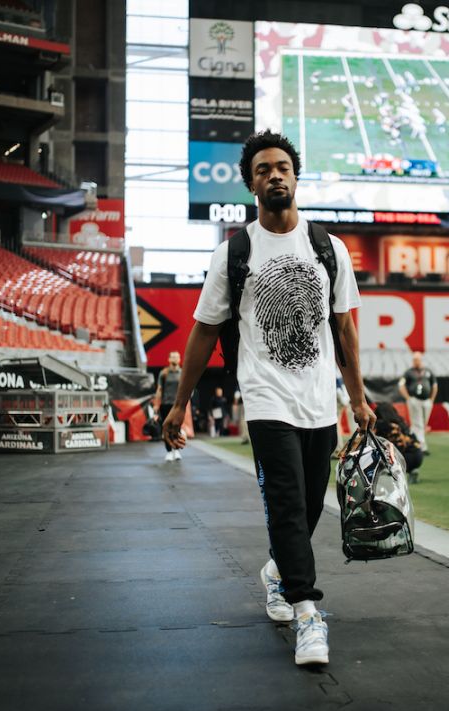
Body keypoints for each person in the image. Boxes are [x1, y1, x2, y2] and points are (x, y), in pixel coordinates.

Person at [162, 130, 375, 667]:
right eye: (263, 170)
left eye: (282, 167)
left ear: (295, 176)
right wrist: (180, 403)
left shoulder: (329, 248)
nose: (275, 175)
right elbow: (204, 333)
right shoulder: (233, 253)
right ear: (251, 183)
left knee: (306, 509)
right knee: (285, 501)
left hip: (319, 401)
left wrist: (358, 399)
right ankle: (307, 613)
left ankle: (278, 571)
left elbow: (344, 329)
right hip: (264, 398)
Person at [398, 352, 437, 454]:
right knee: (418, 423)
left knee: (422, 424)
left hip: (426, 401)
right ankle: (421, 447)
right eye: (414, 360)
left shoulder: (428, 371)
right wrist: (408, 398)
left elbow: (434, 386)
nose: (416, 362)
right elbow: (401, 385)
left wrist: (431, 399)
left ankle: (412, 443)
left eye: (417, 359)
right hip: (415, 400)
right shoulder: (409, 372)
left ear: (421, 360)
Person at [373, 402, 423, 483]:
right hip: (418, 455)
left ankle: (391, 472)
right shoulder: (401, 422)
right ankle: (412, 470)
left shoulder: (381, 425)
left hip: (402, 458)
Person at [152, 351, 184, 462]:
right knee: (166, 428)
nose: (175, 359)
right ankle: (169, 451)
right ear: (169, 359)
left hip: (178, 405)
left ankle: (177, 450)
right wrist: (156, 405)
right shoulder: (164, 373)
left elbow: (186, 389)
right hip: (165, 404)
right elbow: (159, 390)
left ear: (180, 359)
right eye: (173, 357)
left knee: (177, 428)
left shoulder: (183, 373)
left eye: (177, 357)